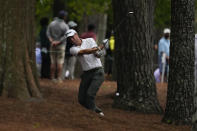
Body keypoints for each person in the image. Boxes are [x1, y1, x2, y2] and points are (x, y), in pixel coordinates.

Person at [66, 29, 105, 116]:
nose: (72, 40)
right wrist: (100, 46)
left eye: (72, 37)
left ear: (76, 35)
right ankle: (95, 111)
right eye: (69, 39)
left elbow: (97, 54)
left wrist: (99, 51)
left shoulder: (90, 40)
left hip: (97, 72)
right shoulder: (72, 49)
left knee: (90, 94)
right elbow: (84, 52)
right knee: (81, 99)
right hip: (87, 74)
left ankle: (94, 113)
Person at [47, 10, 69, 83]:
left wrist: (52, 41)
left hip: (52, 44)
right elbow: (66, 35)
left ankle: (52, 78)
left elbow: (48, 33)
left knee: (53, 62)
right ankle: (59, 78)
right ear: (64, 17)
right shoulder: (65, 25)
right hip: (61, 45)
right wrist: (58, 42)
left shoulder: (52, 24)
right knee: (60, 62)